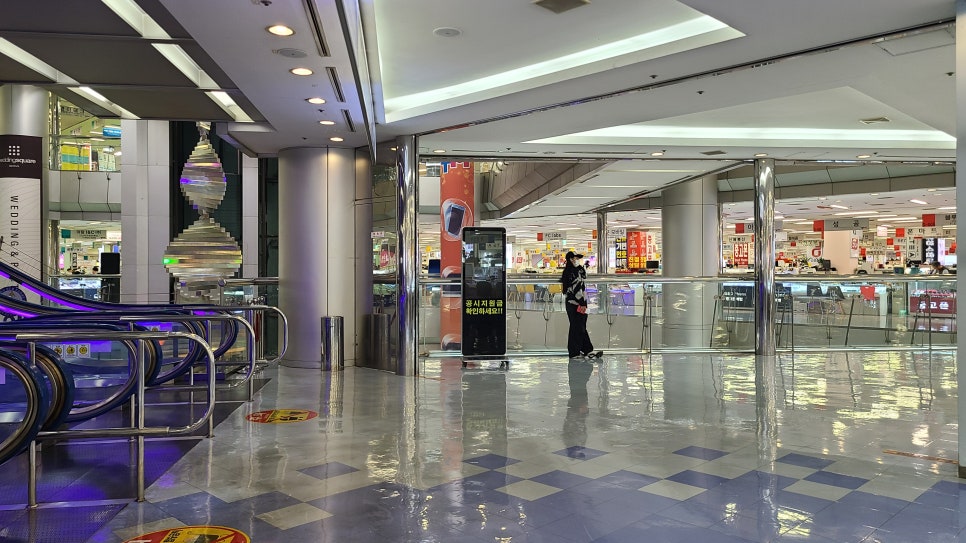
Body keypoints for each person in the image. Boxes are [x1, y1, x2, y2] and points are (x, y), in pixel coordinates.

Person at [559, 250, 602, 359]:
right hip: (575, 303)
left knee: (580, 326)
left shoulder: (577, 270)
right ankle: (575, 352)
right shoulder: (570, 272)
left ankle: (587, 350)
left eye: (578, 258)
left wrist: (581, 267)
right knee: (577, 327)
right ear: (570, 259)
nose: (577, 260)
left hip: (579, 302)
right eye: (575, 258)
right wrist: (581, 302)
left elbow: (584, 277)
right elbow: (575, 288)